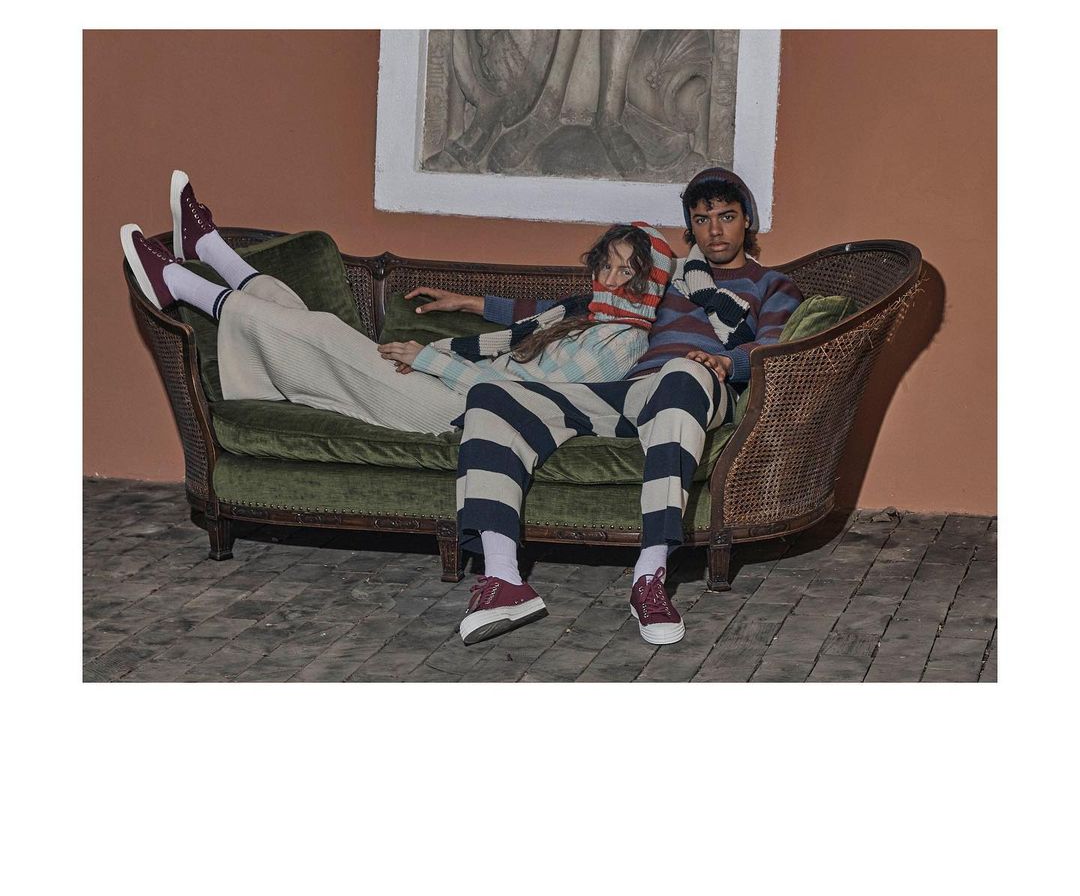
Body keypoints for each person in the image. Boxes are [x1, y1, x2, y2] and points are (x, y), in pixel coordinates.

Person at [444, 167, 804, 647]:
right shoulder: (668, 278)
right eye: (702, 219)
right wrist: (474, 305)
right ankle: (504, 578)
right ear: (690, 227)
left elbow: (773, 350)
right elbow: (583, 305)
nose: (715, 230)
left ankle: (649, 578)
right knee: (492, 397)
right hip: (632, 391)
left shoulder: (772, 285)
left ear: (747, 221)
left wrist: (725, 360)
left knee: (681, 371)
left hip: (703, 384)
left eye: (727, 216)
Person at [120, 171, 674, 438]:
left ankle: (179, 284)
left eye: (627, 271)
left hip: (464, 413)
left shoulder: (623, 343)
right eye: (606, 263)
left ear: (648, 284)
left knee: (322, 332)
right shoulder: (582, 312)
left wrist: (430, 359)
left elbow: (526, 398)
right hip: (453, 387)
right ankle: (208, 251)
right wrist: (445, 339)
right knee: (313, 323)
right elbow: (515, 329)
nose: (610, 278)